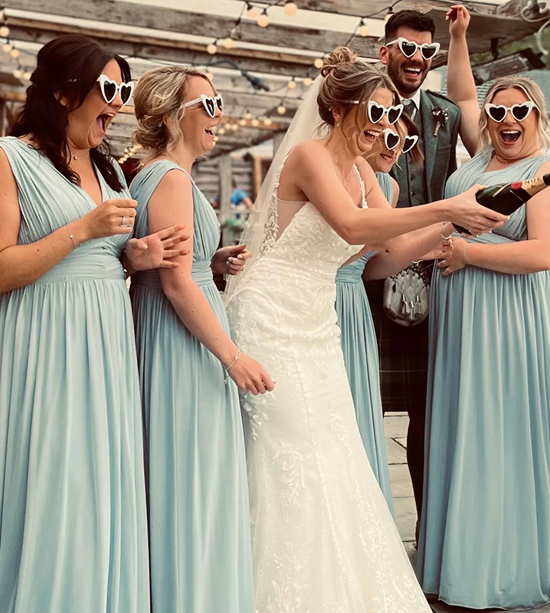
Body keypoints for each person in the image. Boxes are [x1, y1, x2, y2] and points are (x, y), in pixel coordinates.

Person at [223, 47, 506, 612]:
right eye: (374, 114)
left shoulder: (362, 174)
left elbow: (385, 255)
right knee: (290, 453)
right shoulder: (308, 157)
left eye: (388, 115)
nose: (383, 126)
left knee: (337, 451)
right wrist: (444, 205)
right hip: (269, 313)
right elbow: (351, 224)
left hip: (317, 321)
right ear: (342, 110)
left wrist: (454, 220)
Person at [0, 35, 186, 612]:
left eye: (123, 91)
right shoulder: (2, 158)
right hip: (39, 344)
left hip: (103, 343)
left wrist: (135, 256)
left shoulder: (106, 168)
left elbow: (104, 256)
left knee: (98, 484)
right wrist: (84, 228)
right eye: (109, 90)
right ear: (62, 91)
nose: (121, 105)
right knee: (52, 484)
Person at [416, 6, 550, 610]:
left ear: (538, 117)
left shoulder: (548, 173)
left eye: (519, 112)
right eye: (498, 111)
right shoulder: (478, 159)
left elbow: (542, 254)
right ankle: (457, 561)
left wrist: (464, 252)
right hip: (461, 322)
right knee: (463, 430)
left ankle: (504, 568)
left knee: (501, 432)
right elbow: (461, 90)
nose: (507, 120)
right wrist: (457, 37)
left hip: (511, 321)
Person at [129, 65, 273, 613]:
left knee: (182, 470)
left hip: (173, 330)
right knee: (193, 474)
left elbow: (173, 263)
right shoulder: (169, 178)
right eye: (207, 107)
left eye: (219, 105)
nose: (220, 117)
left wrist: (210, 261)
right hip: (182, 344)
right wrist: (232, 356)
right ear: (170, 117)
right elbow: (172, 280)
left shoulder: (151, 176)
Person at [370, 9, 462, 527]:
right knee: (366, 408)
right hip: (372, 277)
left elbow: (474, 109)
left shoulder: (445, 113)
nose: (417, 60)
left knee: (429, 419)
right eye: (408, 49)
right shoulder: (364, 111)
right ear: (385, 51)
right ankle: (372, 535)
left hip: (438, 285)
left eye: (428, 52)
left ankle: (431, 536)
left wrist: (461, 38)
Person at [334, 114, 421, 512]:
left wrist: (437, 242)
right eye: (385, 135)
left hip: (358, 304)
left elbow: (380, 258)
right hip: (324, 297)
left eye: (402, 140)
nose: (392, 146)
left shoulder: (388, 184)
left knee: (363, 407)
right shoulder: (334, 170)